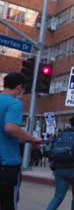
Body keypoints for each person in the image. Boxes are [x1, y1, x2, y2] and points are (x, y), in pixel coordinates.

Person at [0, 72, 42, 209]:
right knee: (8, 203)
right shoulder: (14, 103)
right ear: (19, 87)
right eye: (23, 89)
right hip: (7, 162)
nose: (23, 92)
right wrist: (32, 138)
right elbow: (10, 127)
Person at [46, 113, 74, 210]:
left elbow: (51, 151)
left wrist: (53, 166)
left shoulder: (61, 134)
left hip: (59, 169)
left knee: (58, 197)